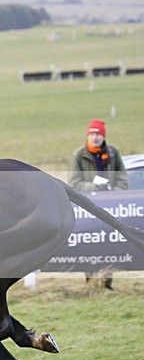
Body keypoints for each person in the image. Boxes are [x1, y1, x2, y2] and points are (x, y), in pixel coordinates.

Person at [68, 118, 128, 289]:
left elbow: (123, 178)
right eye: (92, 134)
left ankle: (107, 283)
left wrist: (112, 189)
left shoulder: (113, 154)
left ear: (103, 137)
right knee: (90, 243)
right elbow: (74, 182)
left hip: (110, 206)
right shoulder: (79, 155)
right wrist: (95, 187)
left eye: (98, 134)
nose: (95, 137)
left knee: (108, 243)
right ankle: (90, 283)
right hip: (87, 206)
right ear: (88, 136)